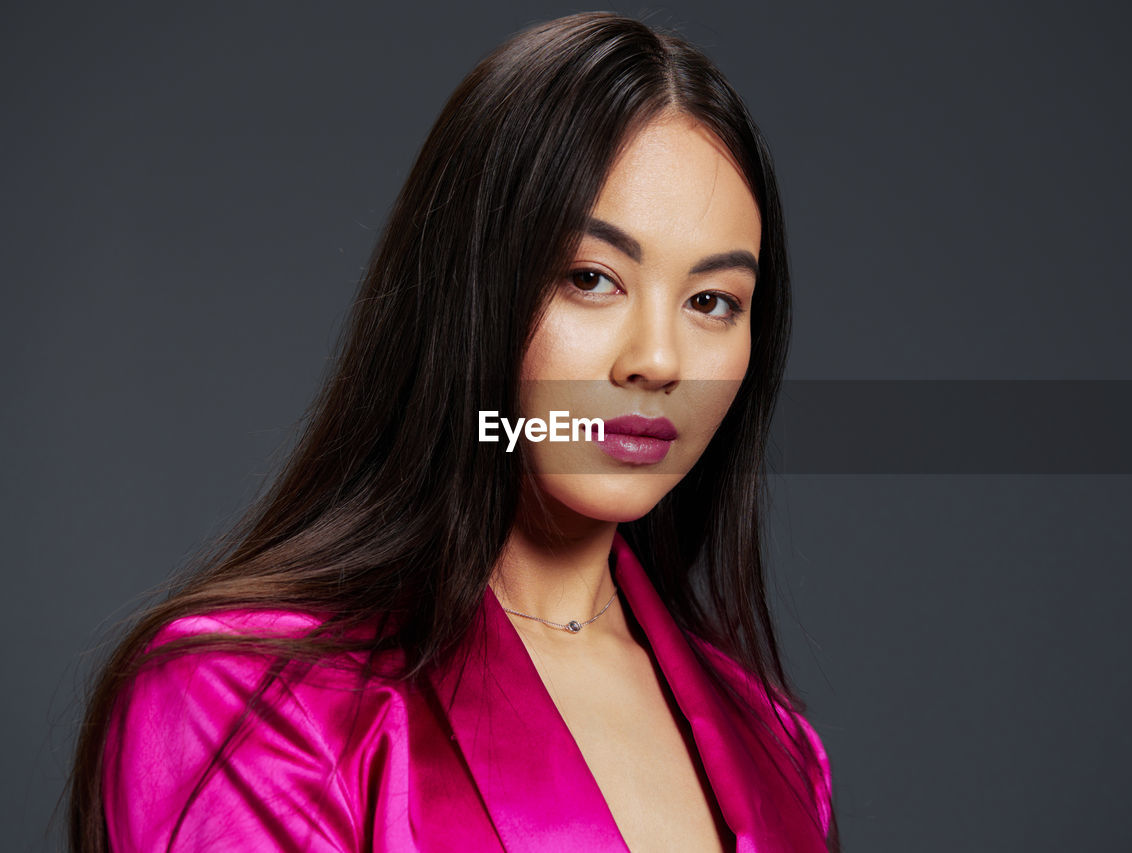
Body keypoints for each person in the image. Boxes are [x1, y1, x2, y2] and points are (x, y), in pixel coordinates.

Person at [67, 11, 837, 852]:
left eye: (712, 301)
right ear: (471, 292)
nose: (658, 360)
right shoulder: (245, 696)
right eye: (591, 278)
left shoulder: (779, 747)